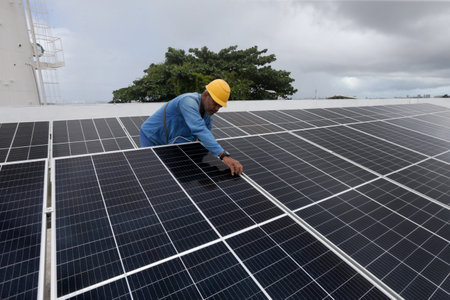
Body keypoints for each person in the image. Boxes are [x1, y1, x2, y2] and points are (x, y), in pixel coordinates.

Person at [140, 79, 243, 176]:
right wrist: (224, 156)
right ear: (206, 94)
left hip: (170, 140)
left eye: (219, 106)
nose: (216, 109)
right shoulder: (188, 101)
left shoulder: (207, 114)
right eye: (215, 104)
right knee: (153, 172)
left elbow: (205, 137)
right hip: (152, 137)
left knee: (172, 174)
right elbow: (199, 129)